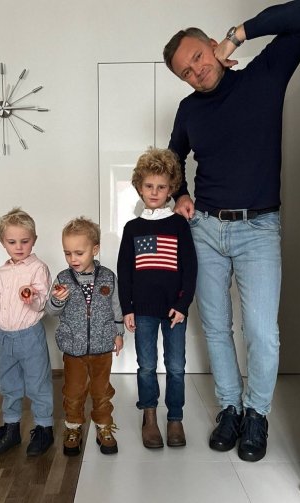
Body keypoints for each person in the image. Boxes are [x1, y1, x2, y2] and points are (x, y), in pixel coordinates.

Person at [163, 0, 300, 462]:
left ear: (213, 46)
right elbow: (172, 158)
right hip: (206, 230)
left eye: (197, 57)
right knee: (216, 328)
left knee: (261, 333)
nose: (196, 71)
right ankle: (230, 408)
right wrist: (179, 194)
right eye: (186, 72)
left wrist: (240, 34)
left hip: (259, 229)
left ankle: (257, 414)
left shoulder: (263, 77)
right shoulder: (188, 110)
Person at [117, 148, 197, 449]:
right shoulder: (132, 228)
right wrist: (127, 308)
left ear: (171, 189)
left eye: (161, 187)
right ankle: (149, 416)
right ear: (139, 187)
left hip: (174, 311)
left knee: (176, 366)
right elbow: (125, 272)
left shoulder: (179, 225)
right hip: (143, 310)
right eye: (149, 186)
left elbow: (190, 268)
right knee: (147, 365)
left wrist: (183, 304)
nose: (154, 192)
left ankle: (175, 418)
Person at [46, 217, 124, 456]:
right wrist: (57, 300)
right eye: (67, 253)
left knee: (102, 391)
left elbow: (116, 307)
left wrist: (118, 333)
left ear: (95, 249)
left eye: (79, 253)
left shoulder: (108, 277)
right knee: (73, 392)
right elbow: (51, 311)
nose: (73, 259)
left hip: (102, 347)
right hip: (74, 349)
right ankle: (73, 428)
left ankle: (104, 426)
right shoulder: (63, 279)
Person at [0, 207, 54, 457]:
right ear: (2, 242)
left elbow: (42, 303)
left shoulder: (38, 268)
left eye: (25, 241)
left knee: (38, 383)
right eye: (12, 242)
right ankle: (11, 428)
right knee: (8, 384)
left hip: (30, 336)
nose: (19, 247)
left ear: (34, 239)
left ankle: (44, 428)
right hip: (4, 337)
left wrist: (31, 298)